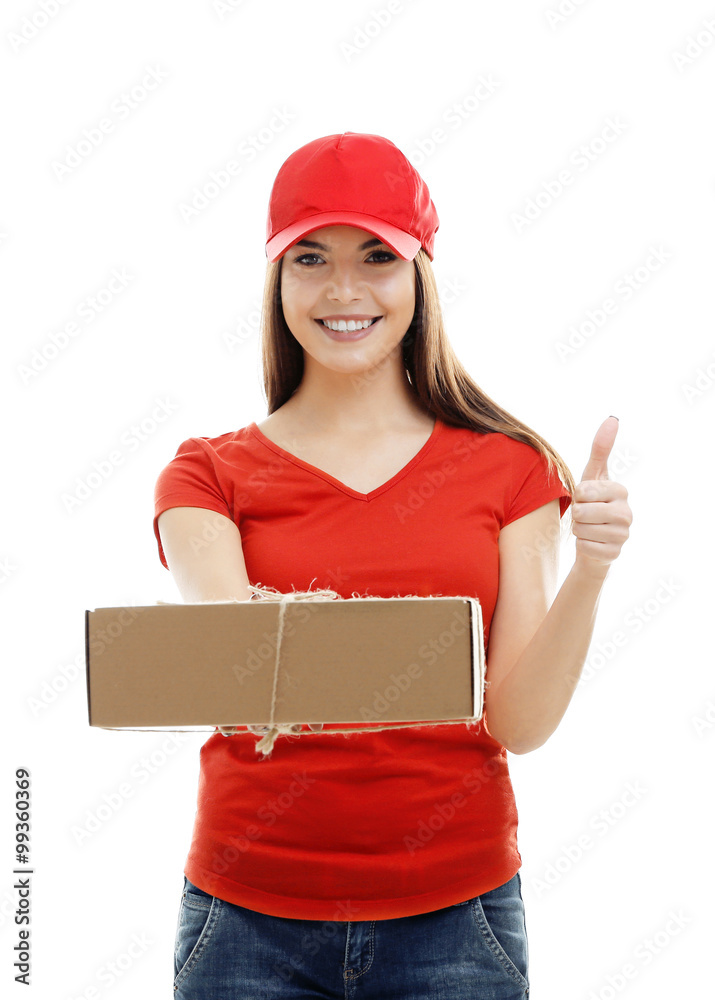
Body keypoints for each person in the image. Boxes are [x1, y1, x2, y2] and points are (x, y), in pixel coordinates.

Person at [153, 131, 632, 999]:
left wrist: (591, 569)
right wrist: (422, 658)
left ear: (420, 274)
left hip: (457, 920)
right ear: (277, 279)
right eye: (311, 258)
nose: (343, 290)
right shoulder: (203, 476)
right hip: (246, 921)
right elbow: (237, 684)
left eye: (378, 254)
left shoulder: (511, 469)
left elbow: (516, 723)